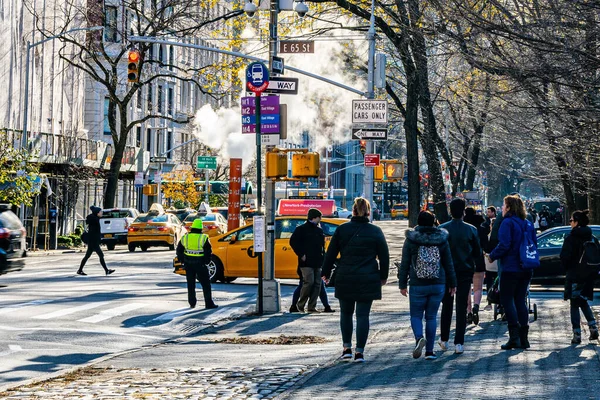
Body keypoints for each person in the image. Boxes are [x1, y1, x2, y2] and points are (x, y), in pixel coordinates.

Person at [321, 197, 389, 362]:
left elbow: (330, 253)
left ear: (353, 211)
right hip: (368, 277)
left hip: (346, 276)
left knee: (346, 313)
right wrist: (383, 276)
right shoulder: (375, 231)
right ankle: (360, 351)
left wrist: (326, 272)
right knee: (363, 315)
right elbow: (384, 256)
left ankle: (346, 349)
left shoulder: (342, 229)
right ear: (368, 211)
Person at [399, 210, 457, 360]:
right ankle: (430, 352)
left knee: (416, 315)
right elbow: (448, 263)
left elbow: (405, 263)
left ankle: (419, 338)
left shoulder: (411, 239)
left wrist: (402, 284)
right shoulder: (441, 238)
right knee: (431, 317)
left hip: (418, 283)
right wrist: (452, 283)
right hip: (438, 283)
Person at [489, 195, 535, 350]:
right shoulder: (527, 223)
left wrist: (492, 255)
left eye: (504, 205)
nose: (502, 208)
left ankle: (514, 337)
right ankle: (524, 339)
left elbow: (504, 244)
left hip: (510, 267)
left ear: (509, 207)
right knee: (520, 301)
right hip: (526, 267)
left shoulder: (507, 223)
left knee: (507, 300)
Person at [438, 198, 481, 354]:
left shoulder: (442, 229)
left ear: (450, 211)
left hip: (447, 273)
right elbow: (477, 252)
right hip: (465, 271)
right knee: (462, 306)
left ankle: (444, 339)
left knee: (447, 305)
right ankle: (459, 343)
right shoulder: (471, 230)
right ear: (463, 211)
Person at [559, 210, 599, 344]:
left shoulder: (571, 238)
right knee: (582, 300)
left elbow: (564, 257)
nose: (570, 223)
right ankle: (593, 327)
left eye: (571, 220)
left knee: (574, 303)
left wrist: (568, 268)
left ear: (576, 222)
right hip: (589, 275)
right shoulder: (592, 237)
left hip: (575, 275)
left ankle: (577, 334)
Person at [290, 208, 326, 313]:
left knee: (317, 284)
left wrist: (323, 258)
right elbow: (293, 242)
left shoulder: (319, 230)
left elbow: (322, 246)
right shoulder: (301, 229)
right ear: (315, 217)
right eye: (319, 218)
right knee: (308, 283)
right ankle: (300, 305)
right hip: (306, 262)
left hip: (317, 261)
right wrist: (301, 254)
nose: (320, 220)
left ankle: (311, 307)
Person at [176, 219, 218, 309]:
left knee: (191, 284)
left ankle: (192, 303)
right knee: (206, 284)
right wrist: (206, 262)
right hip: (200, 264)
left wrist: (183, 261)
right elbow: (208, 252)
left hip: (188, 264)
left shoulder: (185, 237)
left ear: (192, 228)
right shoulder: (204, 238)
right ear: (200, 228)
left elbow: (179, 250)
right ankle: (209, 303)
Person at [464, 207, 488, 325]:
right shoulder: (482, 229)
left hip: (465, 261)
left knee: (466, 288)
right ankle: (476, 307)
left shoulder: (463, 228)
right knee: (478, 288)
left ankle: (468, 311)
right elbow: (486, 246)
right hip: (478, 260)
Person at [77, 206, 115, 276]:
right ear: (97, 213)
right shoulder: (95, 220)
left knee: (87, 256)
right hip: (94, 242)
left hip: (92, 241)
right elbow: (94, 233)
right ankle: (106, 271)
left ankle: (80, 270)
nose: (102, 213)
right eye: (100, 212)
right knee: (101, 255)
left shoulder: (93, 218)